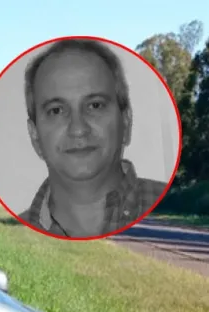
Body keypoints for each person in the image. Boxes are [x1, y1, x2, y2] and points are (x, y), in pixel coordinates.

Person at [18, 39, 168, 238]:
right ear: (34, 135)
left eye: (95, 105)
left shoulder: (171, 210)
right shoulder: (13, 234)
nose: (78, 129)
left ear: (125, 122)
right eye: (56, 110)